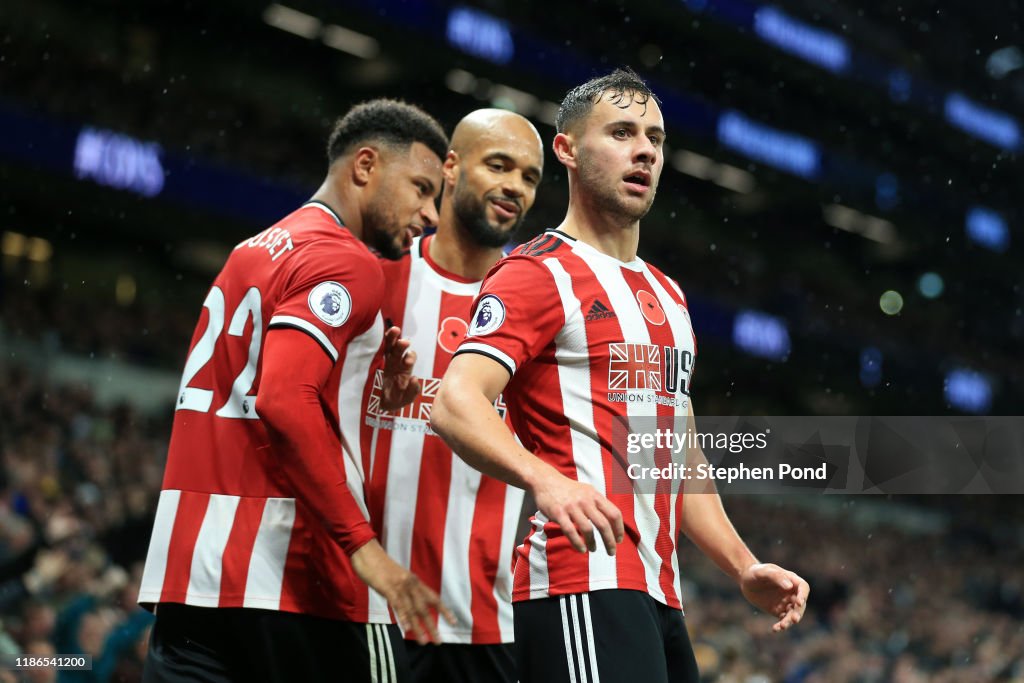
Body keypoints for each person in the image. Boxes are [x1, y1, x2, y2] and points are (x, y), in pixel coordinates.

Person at [431, 69, 810, 683]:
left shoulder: (669, 295)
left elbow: (679, 457)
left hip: (659, 592)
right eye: (623, 132)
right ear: (568, 150)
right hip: (579, 581)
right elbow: (454, 402)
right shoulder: (536, 272)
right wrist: (547, 482)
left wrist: (742, 565)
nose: (645, 151)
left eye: (656, 139)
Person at [138, 99, 455, 683]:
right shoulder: (349, 262)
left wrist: (369, 393)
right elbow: (283, 398)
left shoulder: (253, 250)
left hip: (190, 573)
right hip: (293, 576)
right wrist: (363, 546)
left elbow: (254, 386)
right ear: (365, 166)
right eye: (421, 188)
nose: (431, 214)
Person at [362, 109, 544, 683]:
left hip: (490, 625)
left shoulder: (537, 303)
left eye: (530, 177)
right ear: (451, 166)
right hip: (369, 614)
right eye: (499, 165)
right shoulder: (375, 278)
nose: (514, 185)